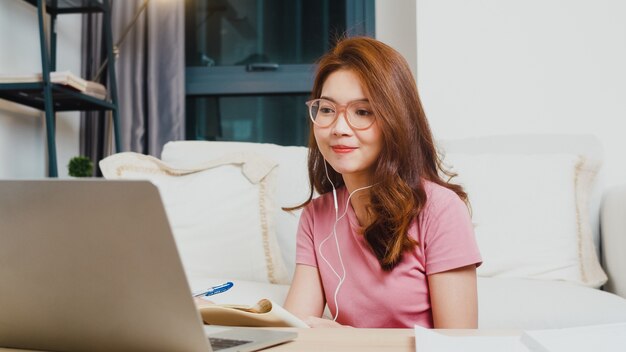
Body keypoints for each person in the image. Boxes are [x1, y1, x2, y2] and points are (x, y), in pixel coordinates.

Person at [283, 36, 482, 329]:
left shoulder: (440, 210)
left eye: (362, 111)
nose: (339, 128)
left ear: (396, 119)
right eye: (326, 109)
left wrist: (352, 343)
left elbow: (457, 346)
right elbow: (296, 330)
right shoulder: (317, 215)